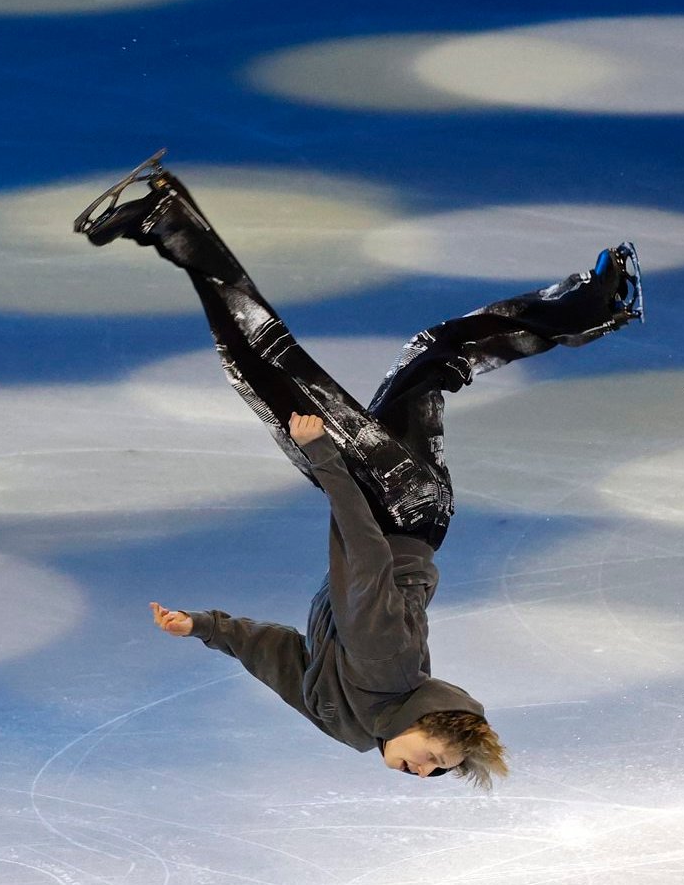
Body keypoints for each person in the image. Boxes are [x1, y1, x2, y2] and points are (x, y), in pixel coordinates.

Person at [75, 151, 643, 789]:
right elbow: (367, 557)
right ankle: (166, 218)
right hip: (392, 507)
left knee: (431, 358)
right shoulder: (386, 667)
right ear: (430, 717)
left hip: (409, 513)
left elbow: (281, 656)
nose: (423, 772)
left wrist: (204, 627)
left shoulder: (348, 725)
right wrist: (323, 455)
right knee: (266, 366)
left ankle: (593, 306)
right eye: (436, 758)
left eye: (434, 774)